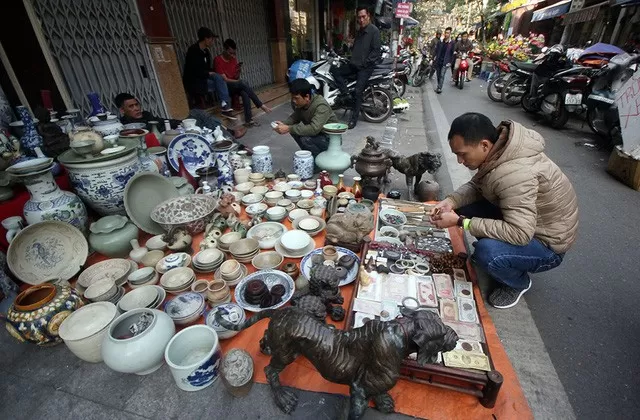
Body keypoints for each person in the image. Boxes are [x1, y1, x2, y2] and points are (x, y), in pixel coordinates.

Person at [429, 113, 578, 309]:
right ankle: (500, 248)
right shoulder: (499, 152)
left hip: (546, 244)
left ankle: (517, 282)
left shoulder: (515, 174)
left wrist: (461, 222)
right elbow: (477, 186)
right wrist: (450, 201)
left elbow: (520, 233)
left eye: (463, 154)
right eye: (456, 154)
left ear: (484, 145)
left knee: (486, 253)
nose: (459, 161)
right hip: (527, 222)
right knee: (460, 206)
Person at [330, 7, 381, 129]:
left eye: (363, 17)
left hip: (365, 68)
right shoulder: (359, 31)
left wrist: (365, 62)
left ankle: (354, 119)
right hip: (354, 64)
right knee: (334, 70)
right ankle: (346, 94)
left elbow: (376, 51)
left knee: (358, 91)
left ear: (368, 16)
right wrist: (346, 54)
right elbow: (356, 49)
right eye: (359, 17)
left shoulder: (374, 31)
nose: (361, 19)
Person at [114, 93, 246, 139]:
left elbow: (165, 121)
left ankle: (229, 134)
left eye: (136, 104)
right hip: (172, 138)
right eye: (131, 107)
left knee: (197, 113)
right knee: (198, 116)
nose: (136, 108)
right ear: (122, 110)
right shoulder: (127, 128)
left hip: (178, 128)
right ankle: (231, 135)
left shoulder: (146, 114)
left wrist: (182, 122)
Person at [273, 79, 338, 158]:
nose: (294, 101)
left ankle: (319, 162)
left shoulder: (321, 106)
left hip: (330, 138)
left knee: (304, 137)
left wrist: (288, 128)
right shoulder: (302, 104)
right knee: (295, 130)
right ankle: (310, 155)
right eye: (292, 98)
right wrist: (284, 124)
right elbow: (295, 117)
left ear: (307, 96)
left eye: (296, 98)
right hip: (318, 133)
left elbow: (314, 129)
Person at [214, 39, 271, 127]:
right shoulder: (217, 60)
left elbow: (235, 76)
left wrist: (238, 72)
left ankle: (248, 120)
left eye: (234, 53)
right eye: (230, 53)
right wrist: (238, 82)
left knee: (245, 92)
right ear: (224, 50)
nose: (232, 56)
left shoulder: (233, 59)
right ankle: (260, 105)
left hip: (234, 85)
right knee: (243, 83)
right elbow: (224, 79)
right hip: (225, 88)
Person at [182, 27, 233, 114]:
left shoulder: (206, 52)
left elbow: (208, 69)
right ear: (206, 39)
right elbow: (194, 71)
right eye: (211, 39)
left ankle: (225, 105)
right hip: (194, 82)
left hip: (204, 79)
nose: (212, 42)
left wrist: (212, 73)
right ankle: (225, 105)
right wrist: (209, 73)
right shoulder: (193, 51)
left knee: (220, 79)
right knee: (219, 80)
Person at [433, 27, 455, 94]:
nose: (446, 34)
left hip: (445, 62)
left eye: (448, 33)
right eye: (445, 32)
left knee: (442, 75)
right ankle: (439, 85)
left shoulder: (452, 43)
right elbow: (436, 51)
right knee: (438, 75)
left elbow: (452, 53)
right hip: (438, 61)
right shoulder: (440, 42)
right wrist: (433, 58)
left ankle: (439, 88)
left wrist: (450, 62)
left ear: (450, 34)